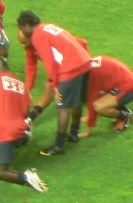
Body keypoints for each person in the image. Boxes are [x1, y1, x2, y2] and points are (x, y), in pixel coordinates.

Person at [17, 11, 91, 156]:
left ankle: (59, 146)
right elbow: (73, 41)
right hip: (83, 61)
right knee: (76, 101)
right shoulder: (47, 27)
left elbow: (50, 63)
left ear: (26, 26)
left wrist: (55, 85)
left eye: (21, 28)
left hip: (70, 66)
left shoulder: (37, 36)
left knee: (62, 107)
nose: (23, 44)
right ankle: (74, 133)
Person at [0, 57, 49, 193]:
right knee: (9, 143)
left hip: (3, 130)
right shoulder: (20, 84)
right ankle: (15, 145)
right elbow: (26, 109)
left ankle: (27, 177)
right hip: (21, 129)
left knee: (0, 172)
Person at [82, 55, 133, 135]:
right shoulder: (89, 64)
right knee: (101, 96)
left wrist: (87, 130)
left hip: (130, 87)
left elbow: (92, 98)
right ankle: (123, 111)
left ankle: (125, 116)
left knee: (99, 107)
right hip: (123, 82)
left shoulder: (93, 74)